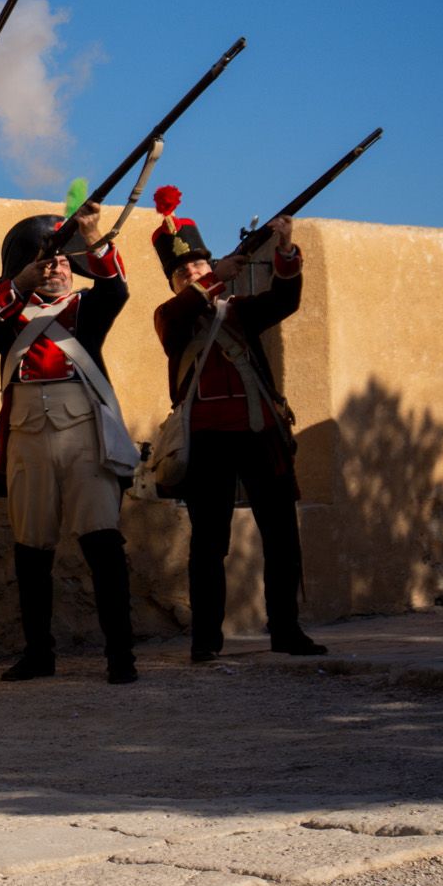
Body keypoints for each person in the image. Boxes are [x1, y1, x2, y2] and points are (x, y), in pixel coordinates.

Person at [0, 205, 140, 684]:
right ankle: (38, 653)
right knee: (32, 549)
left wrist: (93, 236)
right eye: (47, 261)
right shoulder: (9, 315)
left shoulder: (87, 308)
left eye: (63, 260)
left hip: (84, 436)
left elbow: (116, 288)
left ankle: (121, 654)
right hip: (26, 439)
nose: (57, 267)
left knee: (102, 541)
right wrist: (19, 284)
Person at [149, 187, 326, 660]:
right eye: (184, 272)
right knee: (209, 543)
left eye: (200, 266)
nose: (194, 273)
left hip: (260, 432)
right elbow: (179, 314)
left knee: (281, 535)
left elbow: (284, 299)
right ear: (174, 283)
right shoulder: (171, 315)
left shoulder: (240, 311)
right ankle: (205, 640)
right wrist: (214, 279)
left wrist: (284, 249)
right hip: (205, 439)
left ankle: (286, 630)